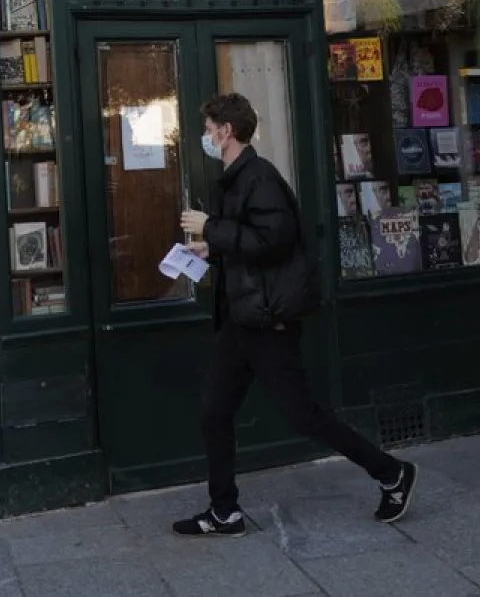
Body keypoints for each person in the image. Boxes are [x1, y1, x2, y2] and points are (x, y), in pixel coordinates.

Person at [173, 93, 418, 537]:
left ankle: (391, 473)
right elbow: (252, 242)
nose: (206, 137)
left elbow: (276, 240)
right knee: (214, 411)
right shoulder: (236, 178)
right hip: (240, 318)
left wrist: (209, 227)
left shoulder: (259, 177)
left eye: (210, 129)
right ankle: (224, 510)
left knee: (305, 416)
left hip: (267, 321)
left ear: (227, 131)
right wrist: (212, 247)